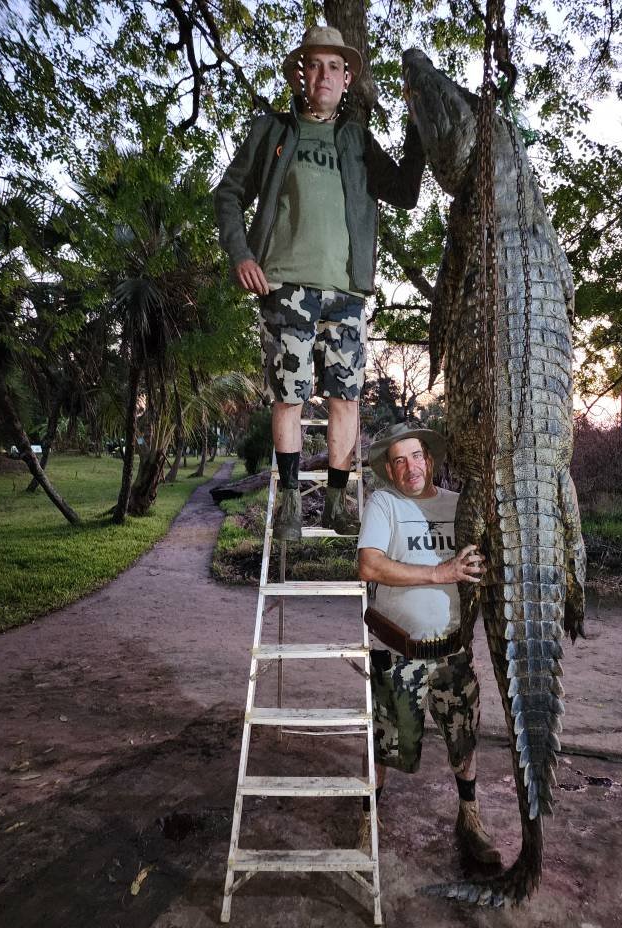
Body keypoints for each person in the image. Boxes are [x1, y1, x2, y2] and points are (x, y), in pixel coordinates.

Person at [214, 25, 425, 539]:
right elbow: (228, 195)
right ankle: (288, 504)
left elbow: (403, 191)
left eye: (335, 66)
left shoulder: (355, 139)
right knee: (288, 395)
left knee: (345, 397)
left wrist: (417, 125)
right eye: (314, 64)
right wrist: (241, 254)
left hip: (347, 294)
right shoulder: (271, 133)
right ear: (298, 73)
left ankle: (333, 501)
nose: (324, 75)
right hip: (285, 286)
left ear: (347, 77)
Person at [356, 422, 501, 864]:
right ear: (389, 469)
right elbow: (370, 565)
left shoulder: (459, 506)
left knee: (465, 740)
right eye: (398, 460)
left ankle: (470, 817)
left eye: (415, 456)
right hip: (398, 653)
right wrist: (440, 573)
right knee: (385, 742)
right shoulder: (385, 503)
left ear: (430, 460)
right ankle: (369, 819)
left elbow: (486, 559)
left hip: (454, 652)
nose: (409, 467)